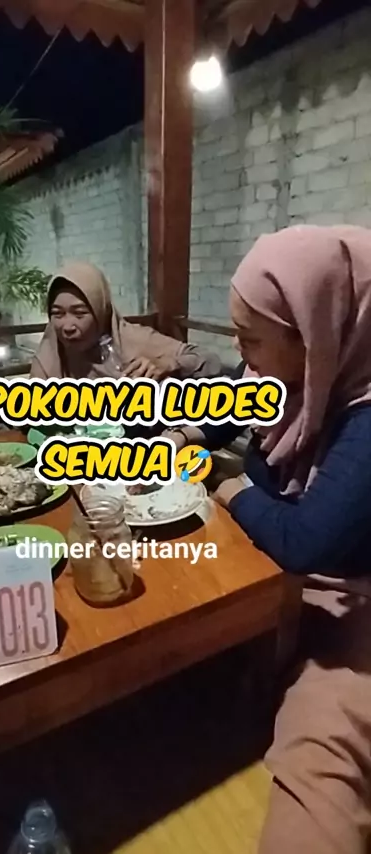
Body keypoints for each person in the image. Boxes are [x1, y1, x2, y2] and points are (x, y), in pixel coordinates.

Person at [171, 225, 371, 853]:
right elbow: (220, 410)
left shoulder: (364, 414)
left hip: (349, 600)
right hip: (274, 575)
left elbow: (306, 541)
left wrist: (224, 483)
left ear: (313, 333)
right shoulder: (292, 377)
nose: (239, 352)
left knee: (321, 741)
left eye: (252, 338)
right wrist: (184, 436)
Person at [30, 261, 221, 381]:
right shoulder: (52, 351)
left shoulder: (134, 340)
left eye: (79, 314)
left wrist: (169, 364)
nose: (67, 327)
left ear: (101, 312)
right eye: (57, 314)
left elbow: (211, 361)